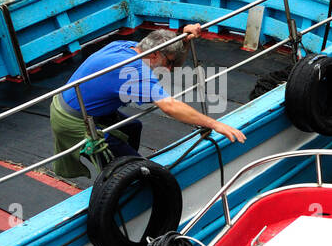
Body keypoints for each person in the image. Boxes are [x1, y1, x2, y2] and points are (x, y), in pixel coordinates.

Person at [50, 25, 245, 179]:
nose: (169, 69)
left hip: (83, 106)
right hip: (73, 118)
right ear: (154, 54)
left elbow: (172, 66)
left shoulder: (127, 46)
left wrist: (183, 41)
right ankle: (122, 174)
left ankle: (124, 163)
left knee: (133, 127)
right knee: (138, 167)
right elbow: (169, 106)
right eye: (168, 62)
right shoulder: (133, 70)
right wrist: (214, 123)